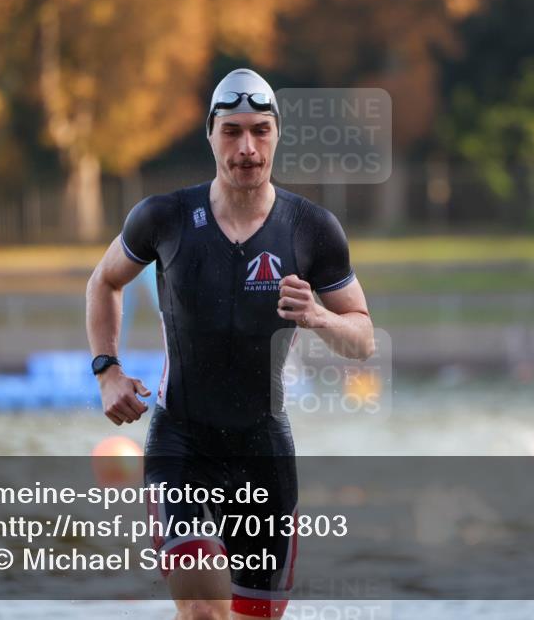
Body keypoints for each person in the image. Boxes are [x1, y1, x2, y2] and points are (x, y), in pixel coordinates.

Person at [86, 68, 375, 620]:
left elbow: (362, 338)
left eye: (260, 131)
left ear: (277, 134)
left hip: (263, 448)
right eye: (233, 131)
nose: (247, 148)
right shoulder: (164, 217)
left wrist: (317, 315)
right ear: (211, 135)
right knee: (202, 611)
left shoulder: (311, 229)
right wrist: (107, 370)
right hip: (183, 443)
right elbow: (105, 280)